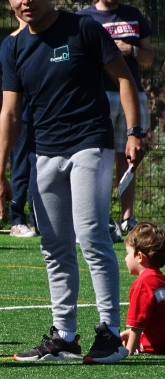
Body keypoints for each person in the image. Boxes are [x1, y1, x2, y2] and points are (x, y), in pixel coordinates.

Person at [0, 0, 145, 364]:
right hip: (44, 154)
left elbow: (124, 77)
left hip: (90, 144)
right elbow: (10, 112)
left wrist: (134, 131)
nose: (25, 1)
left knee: (91, 234)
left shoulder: (83, 28)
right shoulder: (13, 46)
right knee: (55, 245)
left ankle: (110, 335)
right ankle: (65, 337)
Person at [78, 0, 154, 235]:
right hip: (98, 96)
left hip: (133, 97)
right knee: (97, 158)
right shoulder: (83, 18)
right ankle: (99, 218)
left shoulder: (134, 15)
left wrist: (130, 50)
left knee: (129, 158)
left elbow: (148, 57)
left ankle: (127, 218)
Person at [0, 13, 38, 239]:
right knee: (21, 169)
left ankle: (38, 220)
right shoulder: (10, 43)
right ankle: (17, 220)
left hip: (43, 118)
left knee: (41, 170)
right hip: (21, 119)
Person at [107, 222, 165, 359]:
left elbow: (137, 325)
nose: (125, 259)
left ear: (140, 256)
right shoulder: (160, 280)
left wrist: (129, 351)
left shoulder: (142, 283)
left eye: (128, 253)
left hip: (154, 347)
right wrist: (129, 332)